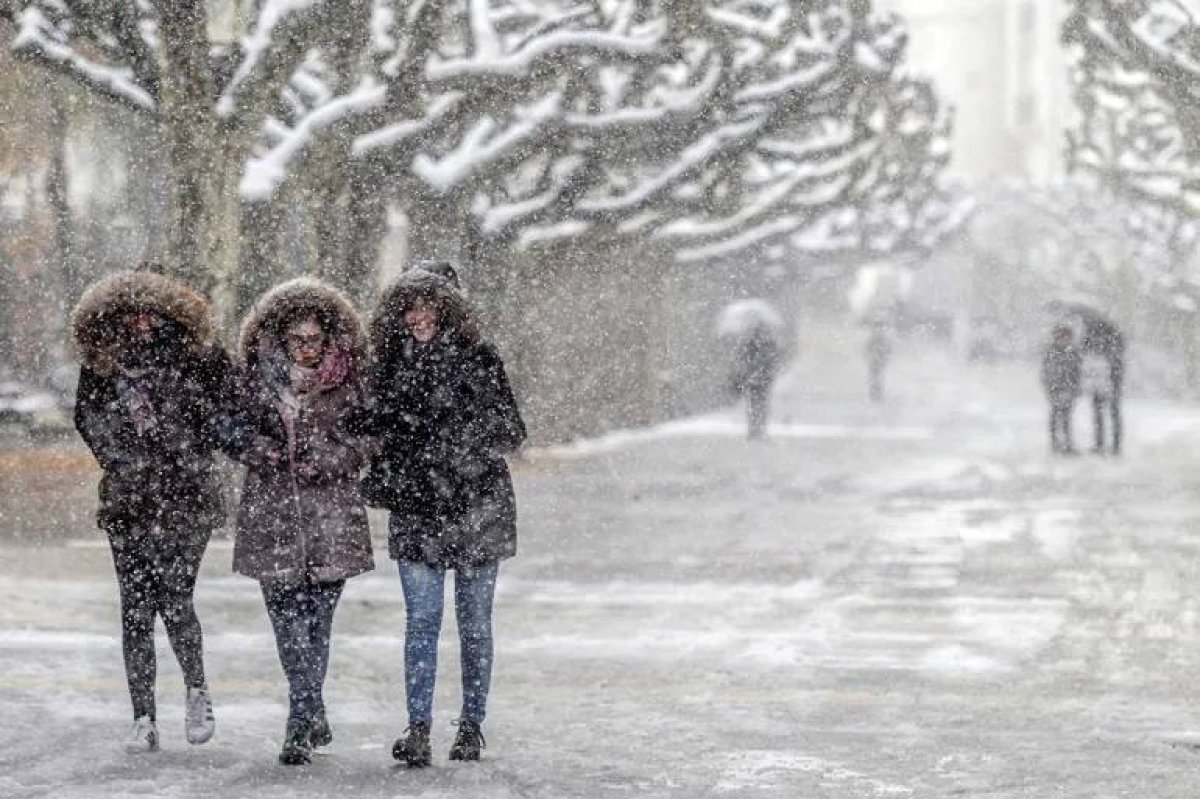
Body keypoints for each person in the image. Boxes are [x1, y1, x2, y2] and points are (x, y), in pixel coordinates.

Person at [363, 265, 526, 767]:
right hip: (417, 508)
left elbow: (511, 431)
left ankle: (471, 727)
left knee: (475, 623)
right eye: (408, 307)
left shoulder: (481, 358)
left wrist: (459, 446)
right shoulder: (388, 362)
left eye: (427, 305)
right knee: (422, 621)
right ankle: (418, 729)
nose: (417, 317)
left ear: (448, 307)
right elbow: (373, 426)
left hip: (478, 505)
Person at [71, 268, 229, 753]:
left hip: (188, 498)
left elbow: (223, 412)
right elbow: (88, 417)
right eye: (133, 310)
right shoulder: (103, 361)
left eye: (151, 310)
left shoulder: (200, 358)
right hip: (129, 502)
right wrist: (124, 459)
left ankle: (197, 689)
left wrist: (189, 450)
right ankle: (143, 717)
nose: (142, 320)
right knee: (135, 610)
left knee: (176, 597)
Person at [228, 278, 374, 765]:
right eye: (297, 339)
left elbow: (373, 437)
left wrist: (333, 458)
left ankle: (302, 714)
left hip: (331, 517)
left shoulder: (351, 379)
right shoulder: (253, 378)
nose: (307, 348)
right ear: (280, 338)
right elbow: (229, 429)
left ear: (329, 338)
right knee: (287, 625)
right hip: (271, 516)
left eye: (314, 339)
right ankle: (306, 710)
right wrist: (265, 451)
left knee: (316, 625)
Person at [1079, 315, 1124, 455]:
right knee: (1110, 414)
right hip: (1106, 381)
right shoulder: (1113, 336)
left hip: (1104, 381)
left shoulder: (1094, 336)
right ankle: (1112, 444)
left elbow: (1085, 352)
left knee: (1102, 414)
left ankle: (1103, 443)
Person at [730, 320, 781, 439]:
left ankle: (754, 429)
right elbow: (774, 361)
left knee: (754, 404)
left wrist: (747, 372)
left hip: (754, 379)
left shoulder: (748, 344)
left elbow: (742, 359)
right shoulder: (769, 344)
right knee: (760, 404)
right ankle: (758, 429)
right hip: (763, 379)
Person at [1041, 323, 1081, 455]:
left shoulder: (1072, 353)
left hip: (1068, 390)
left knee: (1066, 418)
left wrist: (1074, 388)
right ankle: (1056, 443)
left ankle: (1066, 443)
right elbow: (1046, 373)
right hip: (1056, 389)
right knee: (1056, 416)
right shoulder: (1052, 352)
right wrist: (1051, 388)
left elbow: (1077, 372)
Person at [865, 322, 892, 403]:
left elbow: (889, 350)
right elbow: (867, 350)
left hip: (879, 362)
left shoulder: (882, 340)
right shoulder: (874, 339)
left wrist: (884, 359)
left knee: (878, 378)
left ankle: (877, 394)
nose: (878, 331)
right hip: (874, 362)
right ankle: (874, 394)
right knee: (874, 378)